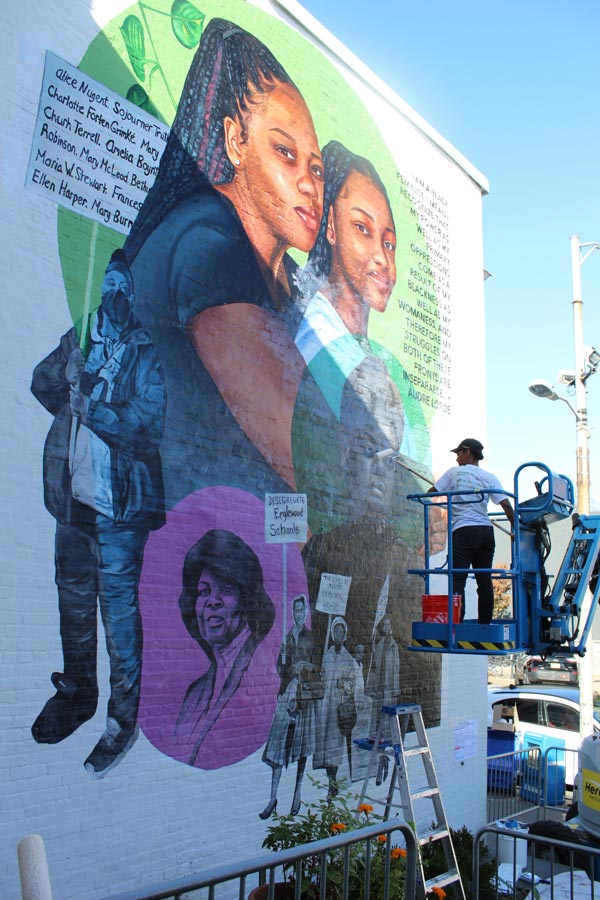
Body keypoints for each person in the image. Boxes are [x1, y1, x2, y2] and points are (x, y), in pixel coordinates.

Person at [124, 18, 324, 502]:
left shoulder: (287, 278)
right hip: (181, 552)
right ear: (236, 141)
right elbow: (301, 445)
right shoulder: (208, 239)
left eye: (316, 168)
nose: (308, 184)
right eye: (285, 153)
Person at [30, 249, 166, 776]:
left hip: (119, 509)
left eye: (122, 287)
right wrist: (68, 378)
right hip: (72, 503)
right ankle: (78, 695)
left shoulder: (144, 352)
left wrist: (94, 410)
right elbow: (41, 382)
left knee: (119, 619)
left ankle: (121, 719)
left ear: (131, 297)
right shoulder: (82, 337)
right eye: (107, 284)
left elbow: (146, 427)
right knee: (73, 606)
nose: (113, 294)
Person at [295, 141, 396, 420]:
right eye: (362, 228)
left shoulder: (352, 346)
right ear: (331, 228)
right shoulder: (318, 339)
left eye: (389, 244)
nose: (382, 259)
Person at [175, 529, 275, 766]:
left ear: (247, 598)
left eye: (227, 590)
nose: (213, 601)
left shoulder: (263, 673)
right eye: (204, 591)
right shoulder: (195, 694)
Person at [428, 438, 515, 625]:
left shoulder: (454, 473)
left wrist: (435, 491)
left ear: (468, 452)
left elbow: (431, 492)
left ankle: (457, 622)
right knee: (483, 579)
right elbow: (506, 505)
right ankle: (485, 623)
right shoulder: (489, 477)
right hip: (485, 532)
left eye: (459, 452)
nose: (457, 457)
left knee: (457, 578)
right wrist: (516, 529)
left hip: (464, 530)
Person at [260, 594, 318, 818]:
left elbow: (318, 667)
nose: (299, 614)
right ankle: (273, 797)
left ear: (306, 613)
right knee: (276, 745)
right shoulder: (287, 638)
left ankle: (297, 793)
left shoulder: (311, 638)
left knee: (301, 746)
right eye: (296, 611)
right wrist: (282, 661)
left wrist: (305, 664)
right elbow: (279, 668)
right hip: (287, 693)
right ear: (292, 613)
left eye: (302, 611)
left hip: (303, 694)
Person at [313, 617, 356, 800]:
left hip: (338, 706)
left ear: (345, 635)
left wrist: (342, 684)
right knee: (324, 745)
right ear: (332, 634)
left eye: (341, 632)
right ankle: (329, 781)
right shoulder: (327, 655)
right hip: (325, 707)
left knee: (334, 746)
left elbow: (352, 684)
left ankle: (333, 784)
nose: (339, 635)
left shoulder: (348, 659)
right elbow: (322, 679)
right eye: (336, 632)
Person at [366, 615, 400, 785]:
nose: (386, 627)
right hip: (379, 693)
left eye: (388, 624)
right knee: (376, 730)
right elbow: (374, 669)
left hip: (389, 692)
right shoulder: (378, 646)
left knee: (386, 730)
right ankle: (380, 763)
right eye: (384, 625)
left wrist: (395, 692)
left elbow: (396, 670)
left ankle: (384, 763)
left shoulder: (394, 647)